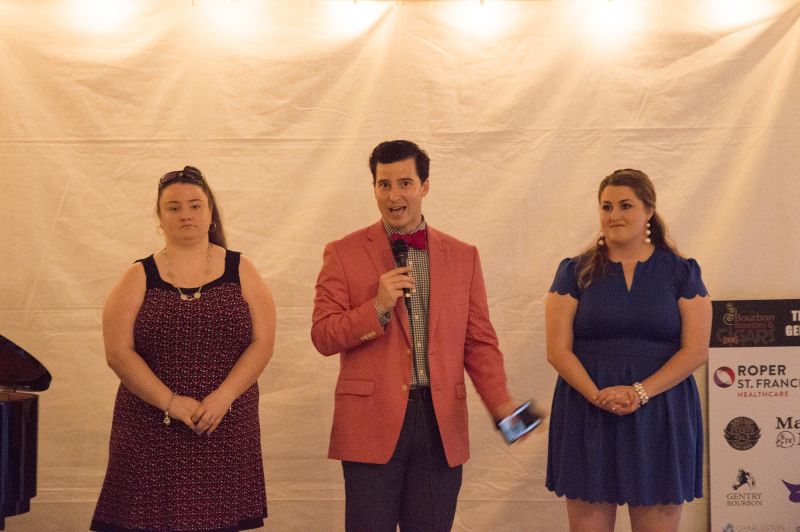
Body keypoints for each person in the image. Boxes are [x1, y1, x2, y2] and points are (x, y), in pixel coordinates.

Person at [311, 140, 522, 532]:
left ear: (425, 186)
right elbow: (323, 335)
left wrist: (505, 410)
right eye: (384, 184)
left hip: (440, 424)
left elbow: (479, 344)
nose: (394, 195)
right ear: (373, 187)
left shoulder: (463, 256)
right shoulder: (343, 252)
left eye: (405, 183)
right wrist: (376, 308)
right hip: (370, 424)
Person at [91, 166, 276, 531]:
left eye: (195, 205)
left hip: (224, 425)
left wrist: (223, 397)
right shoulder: (138, 276)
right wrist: (171, 402)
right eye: (173, 207)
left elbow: (263, 343)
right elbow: (118, 353)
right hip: (150, 428)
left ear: (210, 213)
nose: (185, 214)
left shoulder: (242, 270)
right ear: (160, 218)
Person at [544, 168, 712, 532]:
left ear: (649, 211)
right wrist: (597, 396)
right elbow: (558, 350)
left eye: (625, 205)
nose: (613, 215)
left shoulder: (682, 272)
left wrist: (639, 392)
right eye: (606, 206)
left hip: (662, 411)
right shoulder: (575, 271)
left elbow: (696, 350)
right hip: (587, 411)